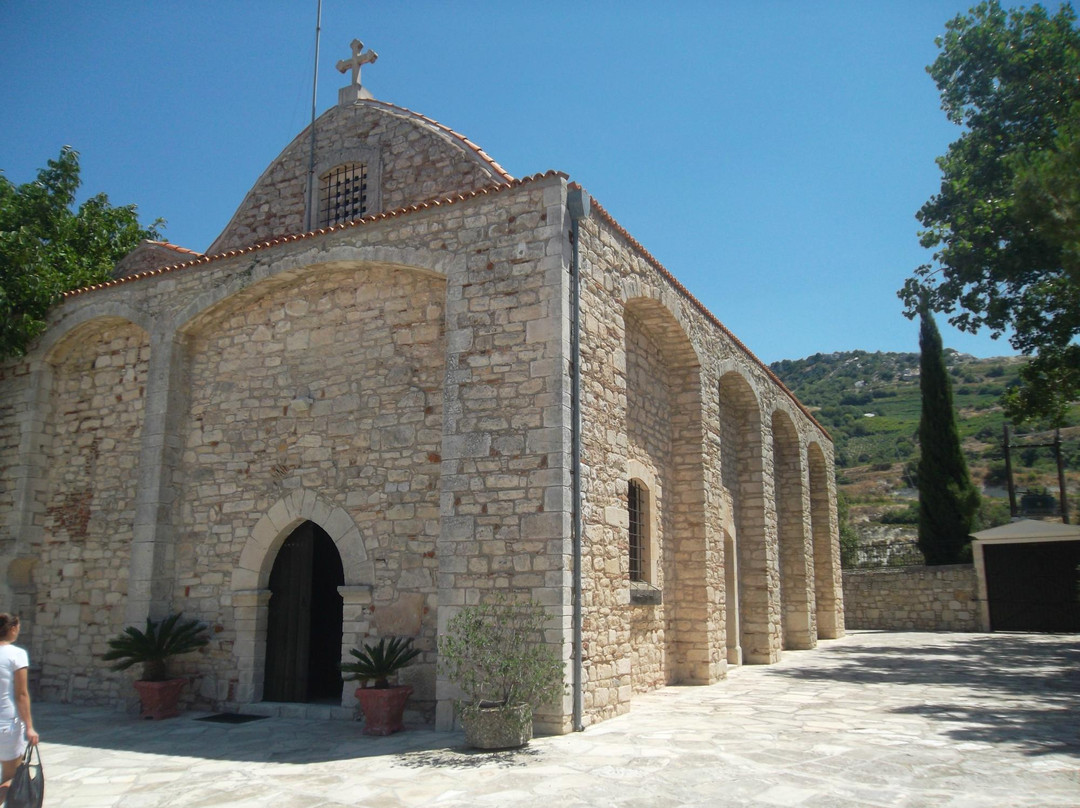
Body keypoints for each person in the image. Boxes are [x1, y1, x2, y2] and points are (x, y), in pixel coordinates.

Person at [0, 614, 38, 790]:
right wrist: (29, 726)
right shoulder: (17, 654)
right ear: (12, 629)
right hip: (6, 723)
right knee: (12, 777)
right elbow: (21, 694)